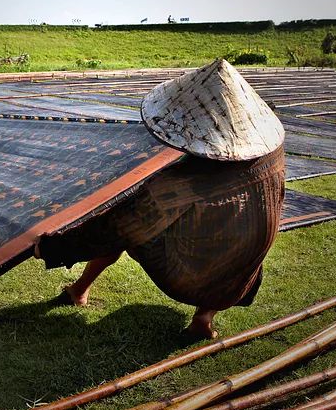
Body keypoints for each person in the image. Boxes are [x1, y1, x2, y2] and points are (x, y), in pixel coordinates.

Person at [35, 59, 286, 339]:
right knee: (235, 235)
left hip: (192, 277)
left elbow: (117, 227)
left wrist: (52, 249)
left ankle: (79, 290)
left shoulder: (182, 184)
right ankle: (204, 316)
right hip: (241, 274)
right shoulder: (272, 156)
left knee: (122, 223)